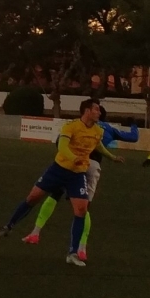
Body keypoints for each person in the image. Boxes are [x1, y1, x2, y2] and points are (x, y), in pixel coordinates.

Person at [0, 98, 121, 267]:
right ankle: (8, 226)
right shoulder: (70, 126)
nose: (99, 112)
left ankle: (72, 253)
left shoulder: (98, 130)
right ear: (87, 111)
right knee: (32, 199)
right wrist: (73, 158)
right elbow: (62, 146)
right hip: (57, 171)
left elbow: (98, 146)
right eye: (96, 109)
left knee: (81, 210)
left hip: (77, 175)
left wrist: (111, 157)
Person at [22, 106, 138, 259]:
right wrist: (134, 124)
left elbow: (60, 142)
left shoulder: (77, 125)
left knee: (54, 195)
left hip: (74, 164)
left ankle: (35, 232)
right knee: (84, 208)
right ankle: (82, 248)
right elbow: (133, 137)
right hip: (93, 165)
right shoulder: (108, 128)